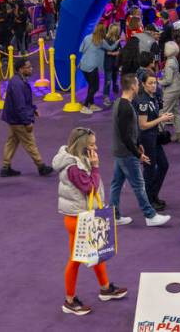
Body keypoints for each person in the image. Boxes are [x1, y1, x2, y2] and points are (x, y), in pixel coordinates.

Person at [52, 127, 128, 316]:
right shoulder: (74, 168)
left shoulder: (75, 159)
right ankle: (70, 301)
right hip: (79, 220)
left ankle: (105, 288)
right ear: (82, 147)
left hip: (80, 217)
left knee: (96, 253)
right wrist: (95, 167)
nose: (96, 147)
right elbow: (89, 187)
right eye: (92, 144)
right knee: (77, 260)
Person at [109, 73, 171, 227]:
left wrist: (138, 143)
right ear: (132, 87)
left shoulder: (119, 103)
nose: (139, 86)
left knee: (116, 183)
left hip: (120, 150)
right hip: (126, 153)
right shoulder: (126, 107)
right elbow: (125, 135)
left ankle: (114, 214)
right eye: (137, 84)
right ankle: (150, 215)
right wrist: (138, 154)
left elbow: (129, 131)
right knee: (138, 184)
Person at [1, 58, 54, 177]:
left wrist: (33, 109)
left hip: (12, 118)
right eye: (28, 67)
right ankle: (41, 166)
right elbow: (20, 105)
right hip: (18, 119)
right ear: (21, 69)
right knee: (30, 141)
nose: (31, 69)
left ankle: (5, 167)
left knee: (12, 141)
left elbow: (24, 101)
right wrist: (27, 122)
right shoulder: (18, 83)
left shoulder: (17, 80)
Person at [135, 73, 174, 212]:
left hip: (154, 137)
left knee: (163, 165)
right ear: (143, 84)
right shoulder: (143, 101)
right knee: (149, 170)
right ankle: (148, 200)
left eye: (155, 83)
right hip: (146, 139)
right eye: (150, 83)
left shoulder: (155, 96)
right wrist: (161, 119)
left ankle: (153, 194)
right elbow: (143, 125)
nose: (153, 85)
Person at [79, 24, 116, 114]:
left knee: (91, 86)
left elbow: (81, 50)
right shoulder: (101, 41)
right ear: (104, 31)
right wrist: (119, 41)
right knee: (95, 87)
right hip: (92, 67)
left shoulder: (87, 37)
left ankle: (91, 104)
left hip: (83, 66)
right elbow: (111, 48)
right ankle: (85, 106)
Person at [160, 40, 180, 142]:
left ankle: (158, 135)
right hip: (177, 89)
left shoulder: (169, 62)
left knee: (163, 112)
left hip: (170, 90)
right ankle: (179, 135)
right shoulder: (174, 59)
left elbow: (168, 80)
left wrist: (159, 82)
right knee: (176, 112)